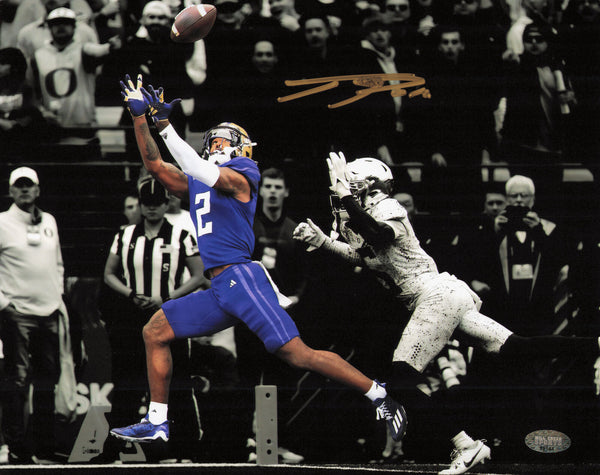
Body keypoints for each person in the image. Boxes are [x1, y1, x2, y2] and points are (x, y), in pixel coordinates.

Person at [108, 74, 407, 447]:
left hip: (241, 278)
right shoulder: (200, 180)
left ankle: (380, 395)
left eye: (223, 141)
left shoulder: (245, 174)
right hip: (220, 286)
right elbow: (155, 165)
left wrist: (164, 123)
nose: (216, 144)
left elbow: (195, 166)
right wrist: (140, 118)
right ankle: (156, 421)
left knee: (297, 355)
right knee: (155, 331)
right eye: (215, 140)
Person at [292, 152, 600, 474]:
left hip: (435, 296)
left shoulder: (388, 207)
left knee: (400, 380)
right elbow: (365, 257)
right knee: (517, 346)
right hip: (443, 297)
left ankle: (467, 445)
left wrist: (345, 197)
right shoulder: (364, 216)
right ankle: (595, 344)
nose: (344, 193)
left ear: (370, 187)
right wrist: (324, 241)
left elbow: (378, 234)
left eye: (351, 187)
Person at [102, 176, 207, 462]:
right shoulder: (125, 235)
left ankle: (182, 449)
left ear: (166, 203)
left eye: (156, 202)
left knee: (176, 381)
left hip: (169, 316)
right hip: (133, 317)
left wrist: (168, 297)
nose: (151, 208)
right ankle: (118, 449)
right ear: (140, 204)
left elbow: (199, 274)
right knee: (127, 381)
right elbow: (109, 273)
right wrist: (130, 293)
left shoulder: (181, 235)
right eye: (146, 203)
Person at [0, 166, 75, 464]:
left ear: (38, 190)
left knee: (48, 381)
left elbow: (58, 264)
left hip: (49, 311)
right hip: (17, 313)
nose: (24, 190)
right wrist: (4, 304)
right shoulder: (2, 222)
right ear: (10, 191)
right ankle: (17, 447)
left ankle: (44, 446)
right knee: (17, 382)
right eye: (19, 186)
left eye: (28, 185)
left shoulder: (50, 221)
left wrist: (57, 296)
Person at [236, 167, 308, 463]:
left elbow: (305, 276)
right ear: (261, 190)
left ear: (286, 192)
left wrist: (295, 299)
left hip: (282, 315)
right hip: (251, 315)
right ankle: (249, 442)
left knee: (284, 379)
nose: (273, 192)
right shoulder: (247, 226)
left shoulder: (295, 230)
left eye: (279, 187)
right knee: (249, 378)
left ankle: (277, 443)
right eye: (268, 186)